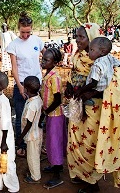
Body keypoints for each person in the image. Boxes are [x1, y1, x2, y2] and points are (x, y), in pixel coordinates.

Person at [65, 23, 120, 192]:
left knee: (90, 144)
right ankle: (81, 173)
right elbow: (74, 75)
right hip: (78, 107)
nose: (77, 40)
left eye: (81, 37)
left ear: (92, 38)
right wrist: (69, 86)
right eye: (76, 36)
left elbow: (114, 86)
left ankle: (93, 183)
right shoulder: (78, 57)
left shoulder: (106, 62)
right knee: (77, 142)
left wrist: (91, 94)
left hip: (96, 112)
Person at [6, 12, 46, 157]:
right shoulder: (13, 45)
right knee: (21, 115)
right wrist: (20, 86)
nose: (25, 35)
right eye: (23, 32)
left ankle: (38, 143)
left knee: (38, 114)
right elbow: (14, 68)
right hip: (22, 84)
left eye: (28, 32)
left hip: (37, 84)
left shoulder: (36, 40)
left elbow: (46, 54)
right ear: (18, 29)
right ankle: (21, 144)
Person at [74, 37, 120, 120]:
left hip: (97, 87)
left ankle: (83, 114)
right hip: (107, 87)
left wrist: (81, 90)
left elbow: (94, 83)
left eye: (92, 50)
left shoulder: (97, 65)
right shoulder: (110, 57)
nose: (89, 53)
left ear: (102, 52)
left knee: (80, 95)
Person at [40, 48, 67, 189]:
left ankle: (57, 176)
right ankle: (56, 166)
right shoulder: (48, 74)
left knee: (55, 142)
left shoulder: (55, 77)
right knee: (51, 141)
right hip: (51, 114)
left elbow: (57, 99)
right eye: (43, 58)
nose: (43, 61)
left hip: (55, 115)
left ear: (55, 62)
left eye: (46, 60)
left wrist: (46, 111)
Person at [16, 76, 43, 184]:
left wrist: (20, 137)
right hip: (37, 132)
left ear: (26, 89)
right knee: (35, 154)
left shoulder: (32, 105)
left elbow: (29, 123)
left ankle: (35, 177)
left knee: (32, 157)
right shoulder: (38, 99)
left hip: (32, 135)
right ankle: (34, 171)